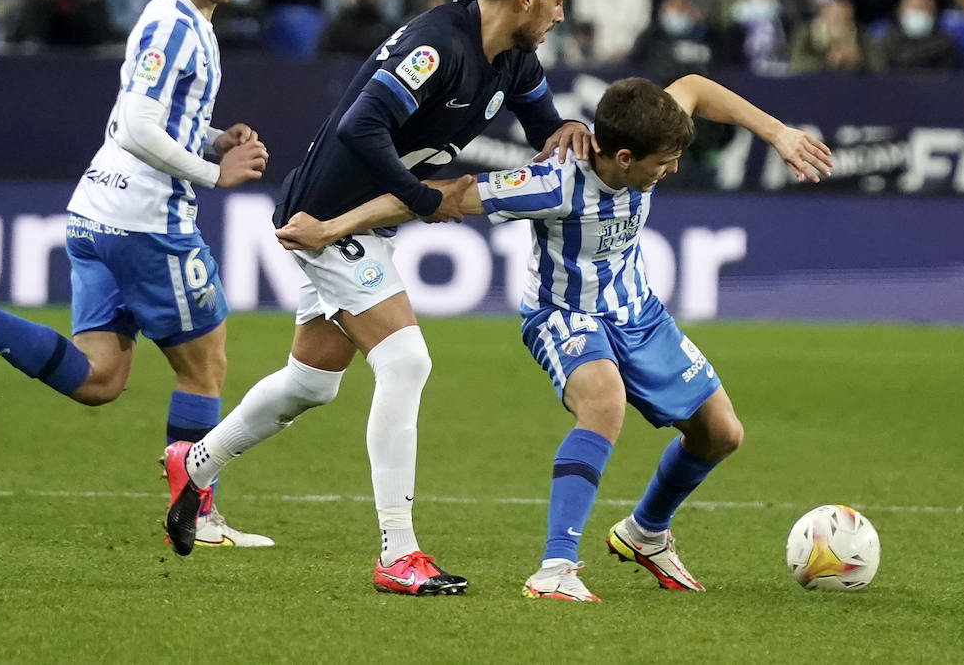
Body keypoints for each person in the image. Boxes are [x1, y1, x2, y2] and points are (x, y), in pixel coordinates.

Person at [272, 75, 832, 601]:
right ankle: (555, 569)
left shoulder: (650, 125)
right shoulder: (551, 184)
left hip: (638, 312)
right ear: (622, 158)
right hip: (564, 316)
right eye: (664, 163)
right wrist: (330, 227)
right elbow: (436, 196)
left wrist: (777, 132)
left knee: (720, 435)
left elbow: (694, 88)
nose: (673, 169)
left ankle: (645, 533)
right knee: (604, 402)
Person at [160, 0, 595, 596]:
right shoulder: (437, 45)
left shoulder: (515, 61)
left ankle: (195, 464)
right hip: (326, 217)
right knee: (406, 360)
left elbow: (544, 132)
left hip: (362, 223)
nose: (562, 14)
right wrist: (423, 199)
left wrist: (564, 131)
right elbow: (359, 126)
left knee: (311, 383)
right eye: (558, 1)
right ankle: (399, 550)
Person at [0, 0, 273, 550]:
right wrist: (218, 174)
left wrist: (211, 139)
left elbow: (153, 116)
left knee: (101, 378)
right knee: (204, 366)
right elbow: (134, 126)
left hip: (95, 212)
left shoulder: (178, 22)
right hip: (147, 222)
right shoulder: (177, 25)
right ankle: (198, 512)